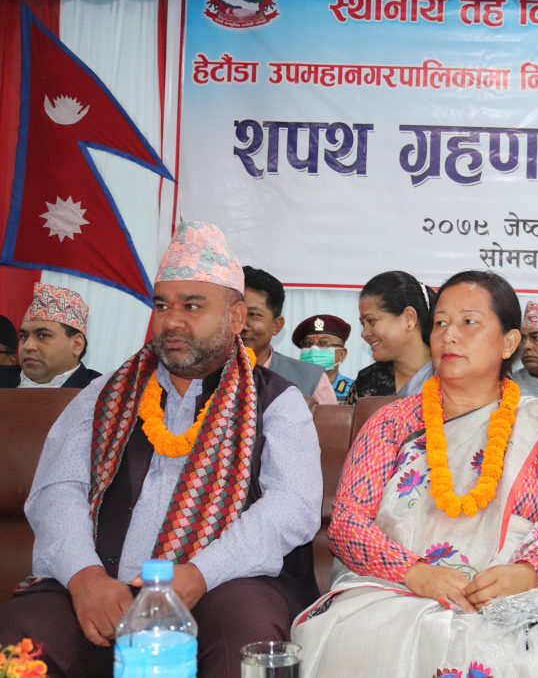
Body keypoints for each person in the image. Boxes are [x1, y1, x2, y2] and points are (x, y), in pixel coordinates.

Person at [0, 221, 322, 678]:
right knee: (22, 635)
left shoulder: (276, 401)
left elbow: (292, 507)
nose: (171, 320)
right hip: (102, 588)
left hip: (221, 587)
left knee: (246, 630)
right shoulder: (104, 395)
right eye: (162, 305)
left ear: (235, 317)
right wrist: (84, 577)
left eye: (192, 305)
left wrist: (199, 574)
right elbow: (58, 490)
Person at [292, 270, 538, 677]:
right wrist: (415, 573)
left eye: (469, 322)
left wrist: (527, 573)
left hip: (513, 598)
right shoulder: (392, 423)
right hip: (395, 588)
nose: (449, 335)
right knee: (358, 640)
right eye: (440, 323)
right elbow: (348, 524)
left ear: (508, 342)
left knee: (514, 652)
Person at [241, 266, 336, 405]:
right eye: (233, 313)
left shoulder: (312, 380)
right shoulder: (206, 373)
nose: (241, 325)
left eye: (253, 314)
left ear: (277, 325)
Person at [349, 270, 436, 401]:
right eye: (363, 324)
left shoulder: (452, 374)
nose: (364, 333)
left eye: (371, 321)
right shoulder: (365, 382)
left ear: (409, 318)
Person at [0, 283, 100, 389]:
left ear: (77, 344)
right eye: (24, 336)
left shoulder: (100, 392)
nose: (27, 346)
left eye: (42, 335)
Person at [291, 314, 354, 402]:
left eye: (324, 343)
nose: (314, 349)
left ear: (342, 354)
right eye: (308, 343)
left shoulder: (354, 390)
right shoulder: (290, 389)